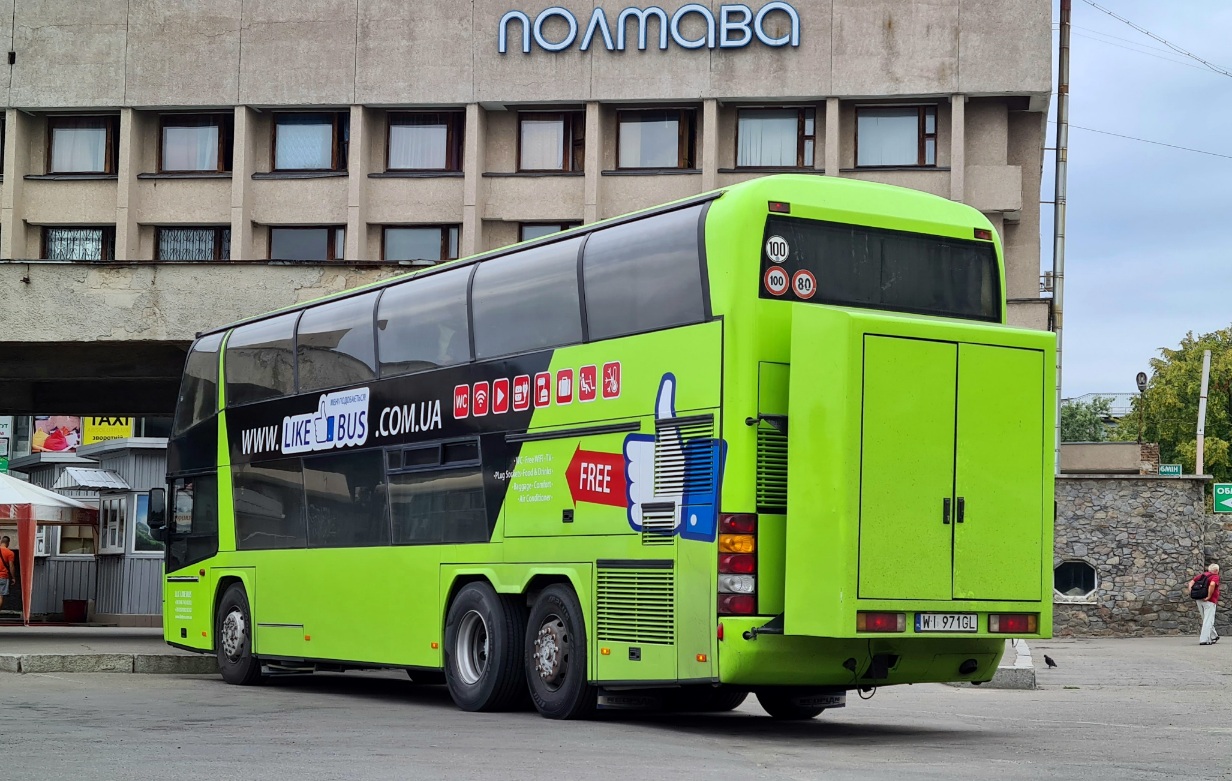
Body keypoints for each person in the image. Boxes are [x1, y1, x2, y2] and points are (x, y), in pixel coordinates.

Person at [1188, 563, 1220, 646]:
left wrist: (1192, 592)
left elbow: (1191, 582)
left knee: (1205, 618)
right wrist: (1209, 596)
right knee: (1208, 620)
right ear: (1216, 570)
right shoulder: (1215, 576)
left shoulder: (1202, 575)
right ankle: (1204, 640)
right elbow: (1212, 584)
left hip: (1199, 599)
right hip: (1209, 601)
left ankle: (1214, 636)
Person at [0, 536, 17, 613]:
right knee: (0, 596)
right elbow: (11, 566)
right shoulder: (10, 553)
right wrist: (13, 577)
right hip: (3, 577)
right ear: (8, 543)